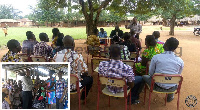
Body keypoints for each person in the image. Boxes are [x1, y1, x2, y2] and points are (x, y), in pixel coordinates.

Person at [143, 37, 184, 102]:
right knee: (172, 79)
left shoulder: (156, 57)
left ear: (165, 45)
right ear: (175, 48)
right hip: (172, 87)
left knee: (144, 77)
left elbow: (150, 73)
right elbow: (178, 74)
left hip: (156, 85)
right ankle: (170, 95)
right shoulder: (180, 61)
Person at [54, 35, 93, 100]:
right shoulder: (78, 56)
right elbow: (85, 71)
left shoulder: (56, 55)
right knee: (90, 78)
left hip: (63, 86)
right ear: (73, 44)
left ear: (63, 44)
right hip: (75, 86)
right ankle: (83, 97)